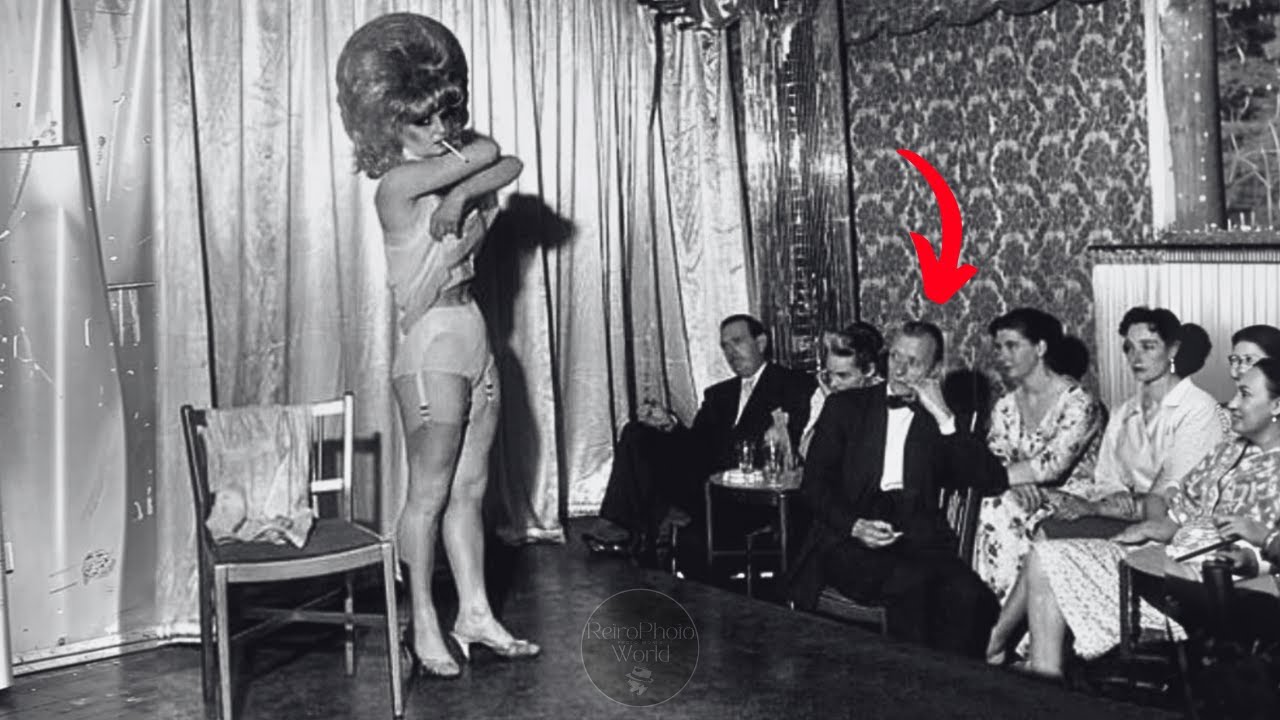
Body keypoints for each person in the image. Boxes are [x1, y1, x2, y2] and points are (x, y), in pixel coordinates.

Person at [336, 13, 535, 679]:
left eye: (445, 116)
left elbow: (505, 158)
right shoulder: (396, 184)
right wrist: (461, 190)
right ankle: (420, 620)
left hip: (474, 335)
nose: (439, 130)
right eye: (421, 121)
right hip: (431, 350)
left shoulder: (446, 171)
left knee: (471, 489)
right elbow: (488, 156)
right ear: (388, 123)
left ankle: (474, 613)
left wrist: (460, 199)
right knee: (427, 493)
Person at [985, 307, 1224, 664]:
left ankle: (1001, 640)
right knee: (1043, 526)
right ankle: (1029, 654)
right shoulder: (1126, 411)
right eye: (1129, 348)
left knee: (1049, 533)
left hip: (1169, 528)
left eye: (1148, 346)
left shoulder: (1197, 408)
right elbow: (1106, 481)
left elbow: (1170, 498)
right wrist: (1110, 502)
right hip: (1120, 513)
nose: (1136, 357)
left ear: (1173, 350)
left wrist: (1106, 505)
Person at [1020, 358, 1280, 677]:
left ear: (1276, 405)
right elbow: (1180, 514)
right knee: (1046, 557)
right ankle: (1045, 683)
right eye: (1236, 392)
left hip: (1220, 583)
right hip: (1169, 559)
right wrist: (1152, 528)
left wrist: (1251, 557)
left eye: (1245, 394)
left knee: (1146, 571)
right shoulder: (1227, 451)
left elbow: (1266, 555)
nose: (1233, 403)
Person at [788, 321, 1008, 658]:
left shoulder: (944, 416)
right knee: (912, 584)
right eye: (895, 357)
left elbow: (990, 480)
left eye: (914, 362)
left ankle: (953, 684)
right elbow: (813, 487)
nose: (900, 370)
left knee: (969, 595)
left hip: (918, 535)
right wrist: (855, 526)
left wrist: (944, 418)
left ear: (935, 370)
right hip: (847, 536)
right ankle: (911, 683)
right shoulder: (845, 407)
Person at [585, 314, 816, 563]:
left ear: (761, 343)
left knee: (654, 482)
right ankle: (617, 528)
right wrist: (669, 423)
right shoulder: (719, 394)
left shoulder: (793, 384)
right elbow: (695, 446)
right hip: (706, 486)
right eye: (725, 346)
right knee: (636, 433)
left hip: (752, 495)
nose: (731, 352)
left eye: (737, 341)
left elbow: (794, 444)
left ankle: (650, 528)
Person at [972, 308, 1105, 605]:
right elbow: (996, 455)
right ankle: (991, 611)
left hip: (1073, 501)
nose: (1002, 356)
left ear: (1040, 348)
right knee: (991, 503)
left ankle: (1008, 620)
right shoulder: (1006, 405)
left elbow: (1051, 467)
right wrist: (1009, 481)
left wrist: (998, 479)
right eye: (999, 347)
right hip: (1021, 494)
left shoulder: (1079, 402)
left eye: (1012, 345)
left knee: (996, 504)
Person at [797, 321, 885, 458]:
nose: (833, 383)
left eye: (843, 375)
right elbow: (806, 452)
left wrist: (837, 408)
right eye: (829, 374)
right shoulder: (823, 393)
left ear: (869, 370)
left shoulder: (886, 398)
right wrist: (830, 406)